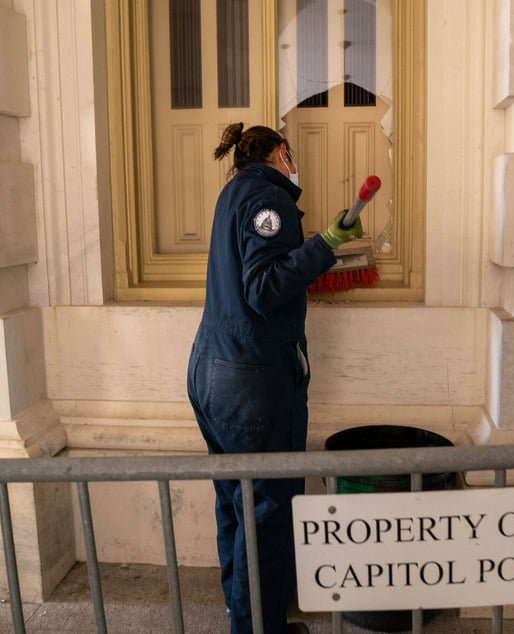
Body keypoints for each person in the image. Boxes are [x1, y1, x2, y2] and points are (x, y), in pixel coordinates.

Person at [186, 123, 363, 634]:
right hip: (251, 379)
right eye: (294, 157)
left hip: (211, 368)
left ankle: (242, 611)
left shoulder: (233, 193)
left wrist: (310, 252)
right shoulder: (271, 200)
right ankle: (256, 627)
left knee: (234, 498)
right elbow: (263, 287)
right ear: (282, 153)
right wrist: (325, 243)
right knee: (265, 506)